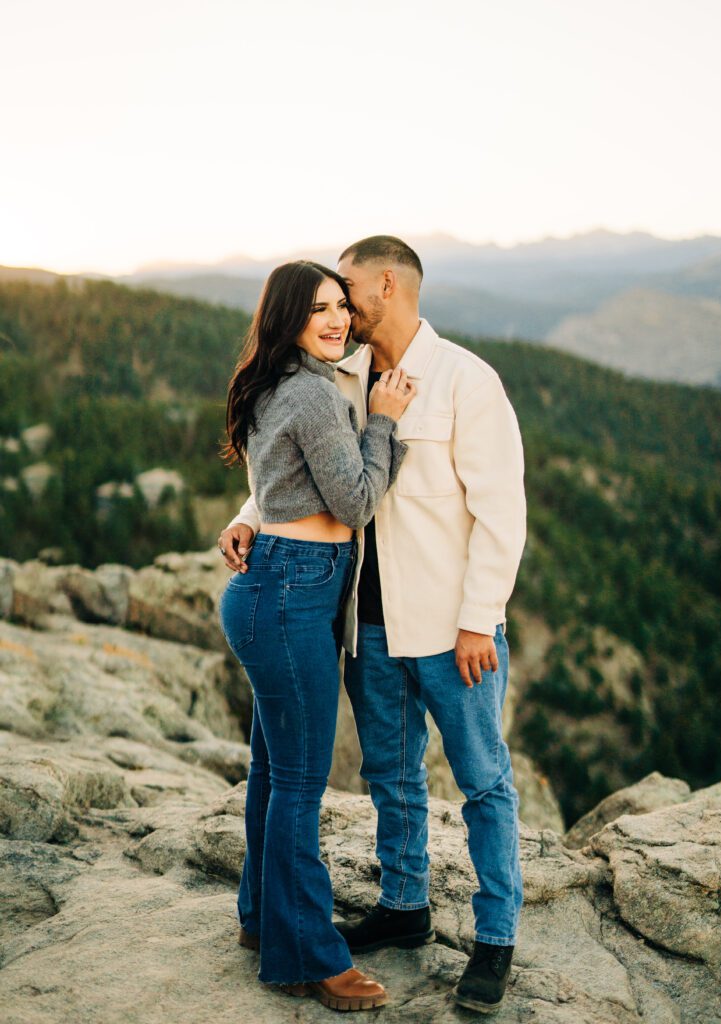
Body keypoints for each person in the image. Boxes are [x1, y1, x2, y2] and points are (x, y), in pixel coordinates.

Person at [220, 236, 527, 1015]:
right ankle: (404, 905)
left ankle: (493, 941)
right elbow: (305, 468)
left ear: (385, 285)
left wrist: (478, 622)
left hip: (451, 630)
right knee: (390, 779)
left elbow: (501, 515)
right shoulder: (344, 378)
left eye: (346, 292)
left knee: (483, 784)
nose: (340, 310)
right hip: (365, 625)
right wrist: (248, 515)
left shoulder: (466, 380)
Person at [218, 258, 416, 1012]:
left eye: (342, 307)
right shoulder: (310, 393)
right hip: (292, 592)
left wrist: (243, 519)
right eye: (318, 311)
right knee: (299, 785)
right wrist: (388, 422)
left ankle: (261, 920)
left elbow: (277, 488)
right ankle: (306, 958)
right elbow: (358, 502)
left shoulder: (278, 380)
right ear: (288, 320)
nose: (336, 321)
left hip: (278, 585)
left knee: (273, 772)